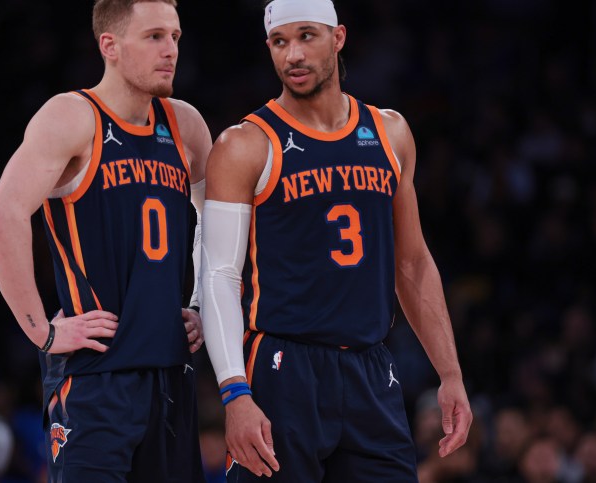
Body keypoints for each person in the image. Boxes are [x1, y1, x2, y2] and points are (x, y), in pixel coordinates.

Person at [199, 0, 472, 481]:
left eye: (307, 36)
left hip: (370, 367)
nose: (294, 55)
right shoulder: (244, 144)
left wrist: (450, 373)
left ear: (338, 37)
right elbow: (220, 274)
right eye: (280, 43)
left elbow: (411, 263)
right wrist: (235, 393)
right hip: (283, 368)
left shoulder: (390, 132)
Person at [0, 0, 211, 480]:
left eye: (175, 37)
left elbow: (219, 225)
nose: (170, 49)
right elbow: (1, 219)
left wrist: (202, 304)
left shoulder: (184, 123)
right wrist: (42, 332)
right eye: (154, 37)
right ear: (110, 45)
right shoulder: (72, 116)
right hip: (97, 375)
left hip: (172, 370)